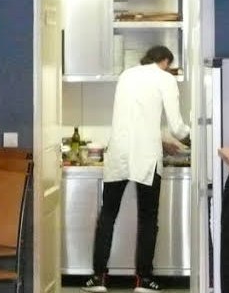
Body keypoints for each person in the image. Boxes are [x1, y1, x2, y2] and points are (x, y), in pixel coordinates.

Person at [82, 45, 190, 293]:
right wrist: (195, 141)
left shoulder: (127, 76)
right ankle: (143, 280)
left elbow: (135, 120)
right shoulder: (165, 78)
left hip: (118, 155)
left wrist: (161, 141)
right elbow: (178, 127)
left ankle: (98, 279)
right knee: (148, 218)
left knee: (108, 215)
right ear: (164, 61)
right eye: (168, 65)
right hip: (146, 160)